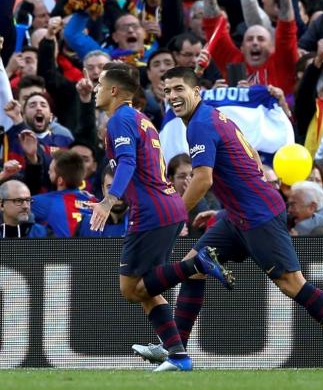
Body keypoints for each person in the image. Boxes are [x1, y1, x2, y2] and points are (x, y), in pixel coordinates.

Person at [142, 66, 323, 370]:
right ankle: (176, 352)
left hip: (258, 215)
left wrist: (174, 215)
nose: (173, 95)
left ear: (197, 92)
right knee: (194, 265)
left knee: (292, 283)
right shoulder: (209, 117)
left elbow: (203, 180)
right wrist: (225, 209)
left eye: (179, 89)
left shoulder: (200, 124)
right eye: (168, 90)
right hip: (237, 214)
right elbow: (245, 163)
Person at [88, 63, 230, 372]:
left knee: (130, 289)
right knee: (147, 289)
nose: (95, 90)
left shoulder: (120, 120)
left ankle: (198, 263)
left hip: (152, 211)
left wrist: (108, 200)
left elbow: (125, 162)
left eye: (99, 85)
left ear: (114, 91)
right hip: (168, 206)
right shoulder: (142, 120)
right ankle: (178, 357)